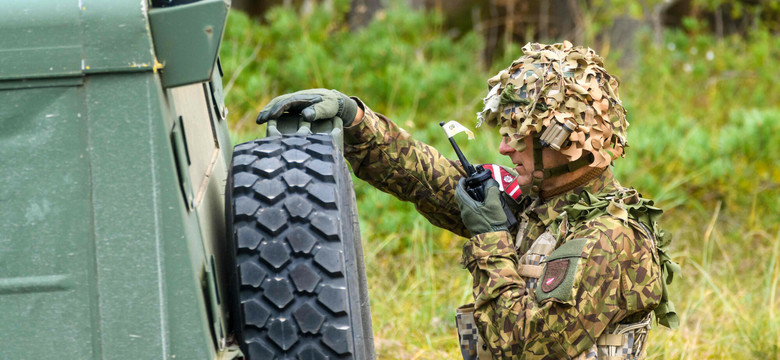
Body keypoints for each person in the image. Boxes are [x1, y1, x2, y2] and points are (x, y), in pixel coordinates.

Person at [256, 41, 679, 360]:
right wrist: (357, 122)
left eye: (522, 135)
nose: (504, 148)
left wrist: (492, 237)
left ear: (568, 143)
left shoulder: (610, 240)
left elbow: (522, 347)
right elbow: (435, 182)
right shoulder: (546, 201)